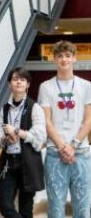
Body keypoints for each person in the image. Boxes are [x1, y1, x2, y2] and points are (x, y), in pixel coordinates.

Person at [38, 40, 91, 218]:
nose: (64, 59)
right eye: (60, 56)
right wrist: (63, 146)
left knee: (83, 209)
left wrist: (73, 146)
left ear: (74, 58)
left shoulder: (86, 86)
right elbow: (46, 120)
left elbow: (89, 119)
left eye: (68, 56)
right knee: (55, 209)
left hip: (81, 153)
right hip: (55, 154)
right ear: (54, 59)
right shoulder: (45, 87)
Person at [0, 67, 46, 218]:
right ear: (10, 83)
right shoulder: (5, 109)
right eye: (15, 79)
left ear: (28, 84)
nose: (18, 82)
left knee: (26, 209)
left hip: (28, 162)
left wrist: (17, 132)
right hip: (8, 162)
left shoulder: (34, 107)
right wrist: (5, 138)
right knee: (5, 206)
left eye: (22, 79)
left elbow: (40, 136)